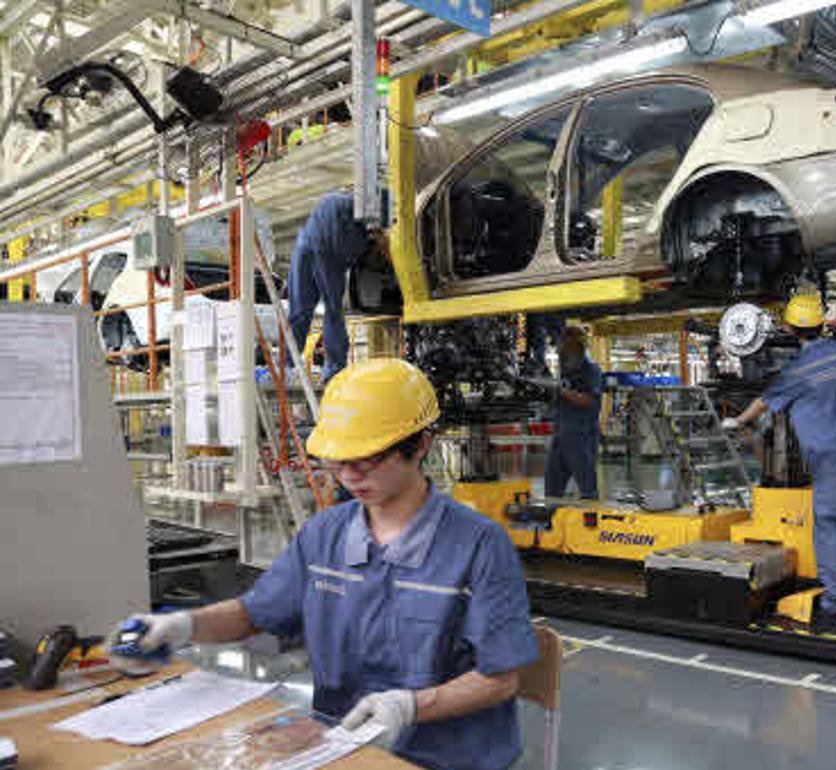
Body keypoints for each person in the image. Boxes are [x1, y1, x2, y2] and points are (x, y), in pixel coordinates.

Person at [107, 359, 538, 770]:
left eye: (366, 458)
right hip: (341, 747)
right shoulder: (324, 535)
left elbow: (501, 678)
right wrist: (182, 627)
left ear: (421, 444)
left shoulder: (479, 546)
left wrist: (409, 707)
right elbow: (252, 614)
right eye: (336, 459)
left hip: (445, 758)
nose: (347, 474)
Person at [723, 294, 836, 636]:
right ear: (822, 324)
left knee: (831, 526)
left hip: (834, 460)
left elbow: (764, 402)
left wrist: (737, 422)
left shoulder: (798, 369)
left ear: (792, 329)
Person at [288, 191, 388, 384]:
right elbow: (381, 236)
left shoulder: (343, 204)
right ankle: (334, 371)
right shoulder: (373, 211)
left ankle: (283, 366)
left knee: (299, 313)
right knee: (332, 311)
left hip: (309, 238)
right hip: (327, 238)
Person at [544, 327, 603, 499]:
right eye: (561, 345)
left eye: (565, 344)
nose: (561, 349)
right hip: (560, 436)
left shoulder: (591, 370)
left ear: (577, 346)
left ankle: (591, 521)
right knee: (552, 489)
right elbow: (559, 401)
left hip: (581, 437)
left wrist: (561, 392)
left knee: (587, 489)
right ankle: (552, 520)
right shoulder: (566, 370)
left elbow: (588, 400)